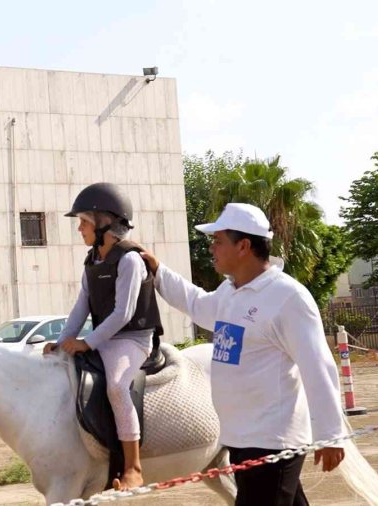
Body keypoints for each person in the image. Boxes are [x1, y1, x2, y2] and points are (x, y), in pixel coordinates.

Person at [139, 202, 346, 506]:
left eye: (218, 241)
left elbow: (318, 367)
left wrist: (330, 434)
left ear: (244, 246)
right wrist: (157, 271)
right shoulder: (230, 292)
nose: (212, 248)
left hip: (272, 443)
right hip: (240, 438)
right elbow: (198, 305)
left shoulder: (288, 297)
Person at [43, 182, 161, 491]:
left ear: (105, 222)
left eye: (83, 221)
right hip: (107, 338)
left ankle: (133, 467)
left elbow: (123, 314)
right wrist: (63, 340)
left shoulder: (130, 260)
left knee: (118, 387)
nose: (79, 228)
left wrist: (86, 342)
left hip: (133, 339)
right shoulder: (92, 261)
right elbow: (80, 308)